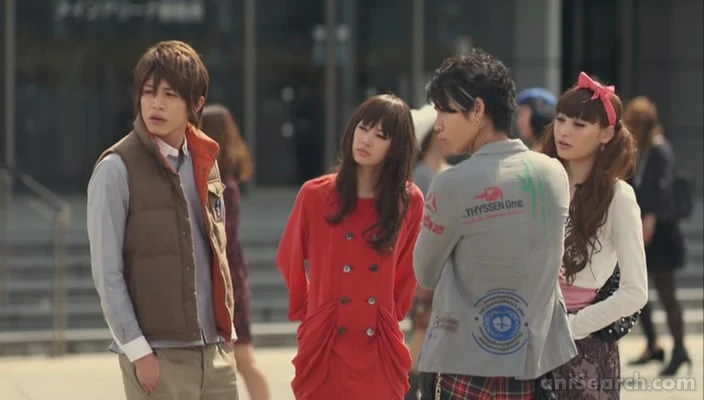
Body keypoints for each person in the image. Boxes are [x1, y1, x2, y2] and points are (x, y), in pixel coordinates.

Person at [413, 50, 577, 399]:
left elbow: (425, 272)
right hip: (540, 364)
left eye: (445, 111)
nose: (437, 124)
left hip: (470, 363)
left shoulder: (452, 183)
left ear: (478, 110)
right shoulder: (554, 173)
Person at [87, 41, 239, 400]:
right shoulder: (116, 169)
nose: (156, 104)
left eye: (170, 94)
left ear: (196, 104)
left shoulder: (206, 161)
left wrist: (227, 332)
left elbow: (217, 251)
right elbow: (107, 273)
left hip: (214, 352)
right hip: (157, 355)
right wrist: (138, 352)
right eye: (148, 92)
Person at [276, 94, 424, 399]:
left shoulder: (409, 200)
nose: (366, 140)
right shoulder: (316, 194)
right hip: (327, 339)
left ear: (396, 147)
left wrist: (390, 313)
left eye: (380, 135)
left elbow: (409, 268)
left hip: (378, 341)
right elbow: (289, 256)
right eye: (363, 128)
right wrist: (311, 311)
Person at [542, 72, 649, 399]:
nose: (564, 131)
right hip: (528, 342)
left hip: (582, 350)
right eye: (560, 119)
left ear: (606, 134)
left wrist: (571, 327)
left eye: (579, 124)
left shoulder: (618, 198)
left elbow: (635, 292)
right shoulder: (539, 184)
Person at [201, 104, 272, 399]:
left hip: (227, 276)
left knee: (243, 355)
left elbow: (222, 239)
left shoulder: (223, 186)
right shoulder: (225, 181)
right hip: (231, 273)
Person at [623, 96, 690, 376]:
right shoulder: (645, 151)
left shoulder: (660, 149)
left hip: (660, 234)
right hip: (645, 230)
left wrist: (648, 218)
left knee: (666, 293)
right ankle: (652, 343)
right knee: (639, 292)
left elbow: (660, 189)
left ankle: (680, 349)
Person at [405, 104, 450, 400]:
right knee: (424, 328)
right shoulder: (419, 175)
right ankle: (408, 386)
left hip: (446, 263)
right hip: (424, 262)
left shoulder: (450, 171)